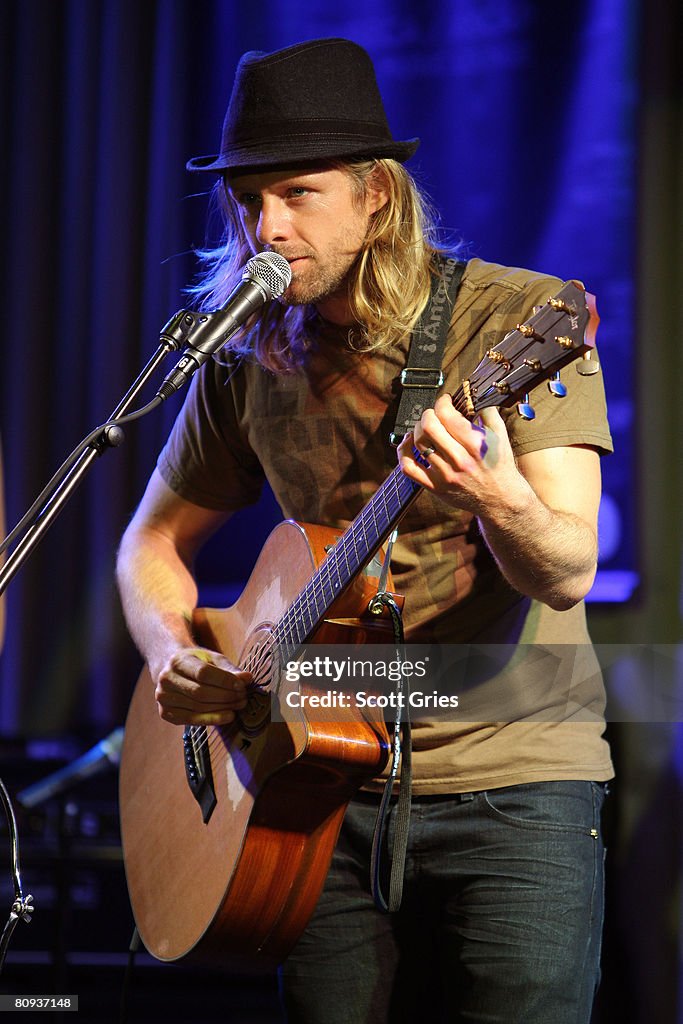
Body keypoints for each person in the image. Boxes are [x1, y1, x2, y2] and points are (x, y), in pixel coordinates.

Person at [116, 37, 613, 1024]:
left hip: (511, 778)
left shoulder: (517, 320)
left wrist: (498, 499)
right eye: (247, 200)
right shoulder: (246, 353)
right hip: (312, 790)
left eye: (296, 194)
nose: (266, 227)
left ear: (375, 197)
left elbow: (564, 570)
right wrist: (182, 665)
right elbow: (148, 545)